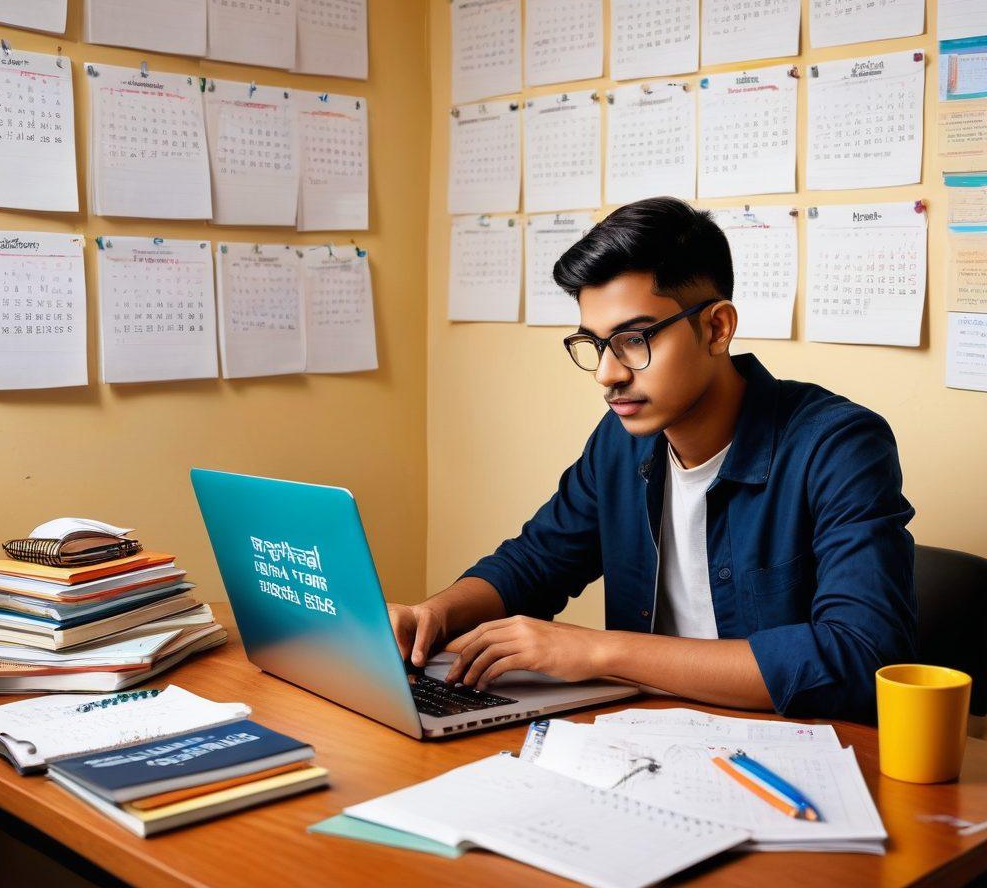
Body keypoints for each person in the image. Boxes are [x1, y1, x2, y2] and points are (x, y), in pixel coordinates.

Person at [389, 197, 917, 722]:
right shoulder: (622, 441)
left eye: (634, 340)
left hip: (789, 756)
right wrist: (431, 614)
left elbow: (861, 658)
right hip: (645, 741)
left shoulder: (838, 445)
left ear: (716, 328)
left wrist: (601, 651)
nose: (607, 374)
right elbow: (534, 563)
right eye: (595, 344)